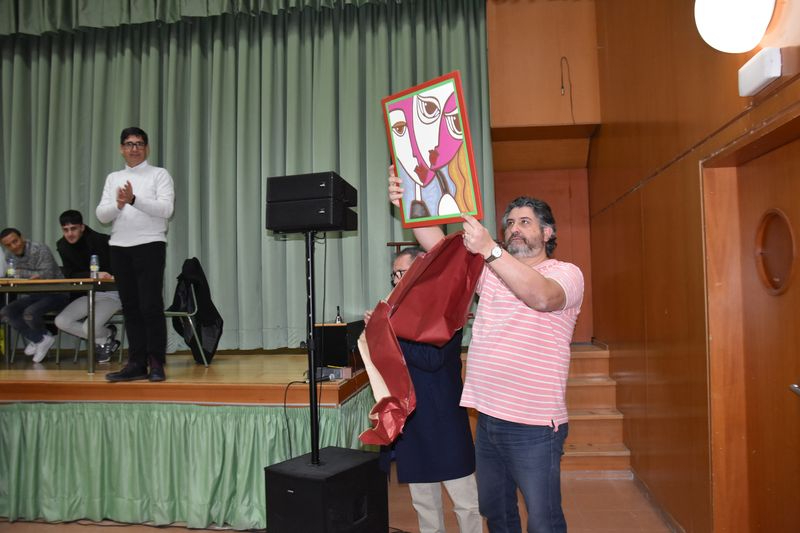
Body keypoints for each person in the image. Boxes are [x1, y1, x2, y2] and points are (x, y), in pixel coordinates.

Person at [389, 166, 584, 533]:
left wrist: (491, 250)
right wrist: (409, 201)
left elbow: (540, 297)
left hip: (536, 425)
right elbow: (437, 244)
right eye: (509, 222)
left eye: (525, 222)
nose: (514, 228)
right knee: (497, 513)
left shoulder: (566, 273)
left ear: (547, 233)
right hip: (489, 417)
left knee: (543, 520)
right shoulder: (491, 272)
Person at [367, 246, 482, 533]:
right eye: (393, 275)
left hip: (445, 421)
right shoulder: (393, 313)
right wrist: (378, 333)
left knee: (466, 503)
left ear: (422, 272)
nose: (396, 281)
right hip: (413, 421)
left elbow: (432, 359)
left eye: (402, 272)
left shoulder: (448, 310)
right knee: (424, 505)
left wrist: (389, 332)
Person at [96, 127, 174, 382]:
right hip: (119, 247)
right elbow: (101, 215)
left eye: (139, 143)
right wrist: (119, 204)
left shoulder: (159, 175)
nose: (134, 148)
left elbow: (166, 209)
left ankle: (156, 363)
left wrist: (133, 199)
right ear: (121, 148)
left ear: (146, 147)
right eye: (129, 144)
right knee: (130, 307)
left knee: (150, 305)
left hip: (150, 244)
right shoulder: (113, 178)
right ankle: (136, 363)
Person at [54, 210, 122, 364]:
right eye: (65, 230)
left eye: (73, 229)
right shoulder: (62, 245)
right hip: (87, 294)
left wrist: (107, 274)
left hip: (112, 293)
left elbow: (119, 269)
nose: (69, 233)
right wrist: (93, 275)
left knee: (87, 328)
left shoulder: (102, 241)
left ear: (82, 227)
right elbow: (70, 274)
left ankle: (104, 338)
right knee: (61, 321)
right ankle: (106, 338)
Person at [0, 228, 69, 363]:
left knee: (29, 313)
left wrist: (21, 273)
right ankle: (40, 339)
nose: (14, 246)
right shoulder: (9, 256)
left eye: (15, 241)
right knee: (6, 312)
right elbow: (12, 277)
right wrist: (30, 275)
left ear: (22, 237)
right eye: (8, 245)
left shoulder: (39, 249)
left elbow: (46, 275)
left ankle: (39, 340)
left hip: (57, 293)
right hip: (34, 295)